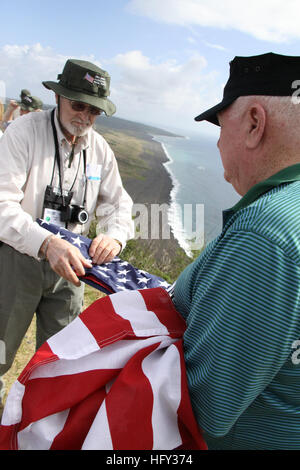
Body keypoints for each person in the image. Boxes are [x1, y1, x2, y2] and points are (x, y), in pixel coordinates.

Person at [172, 52, 300, 450]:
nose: (216, 141)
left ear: (254, 124)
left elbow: (204, 407)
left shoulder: (265, 236)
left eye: (219, 124)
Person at [0, 59, 134, 413]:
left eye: (94, 111)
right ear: (58, 97)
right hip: (18, 260)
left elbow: (119, 206)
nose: (85, 117)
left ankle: (43, 419)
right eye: (78, 105)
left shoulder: (100, 150)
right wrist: (45, 242)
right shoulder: (24, 132)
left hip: (73, 267)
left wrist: (115, 237)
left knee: (62, 358)